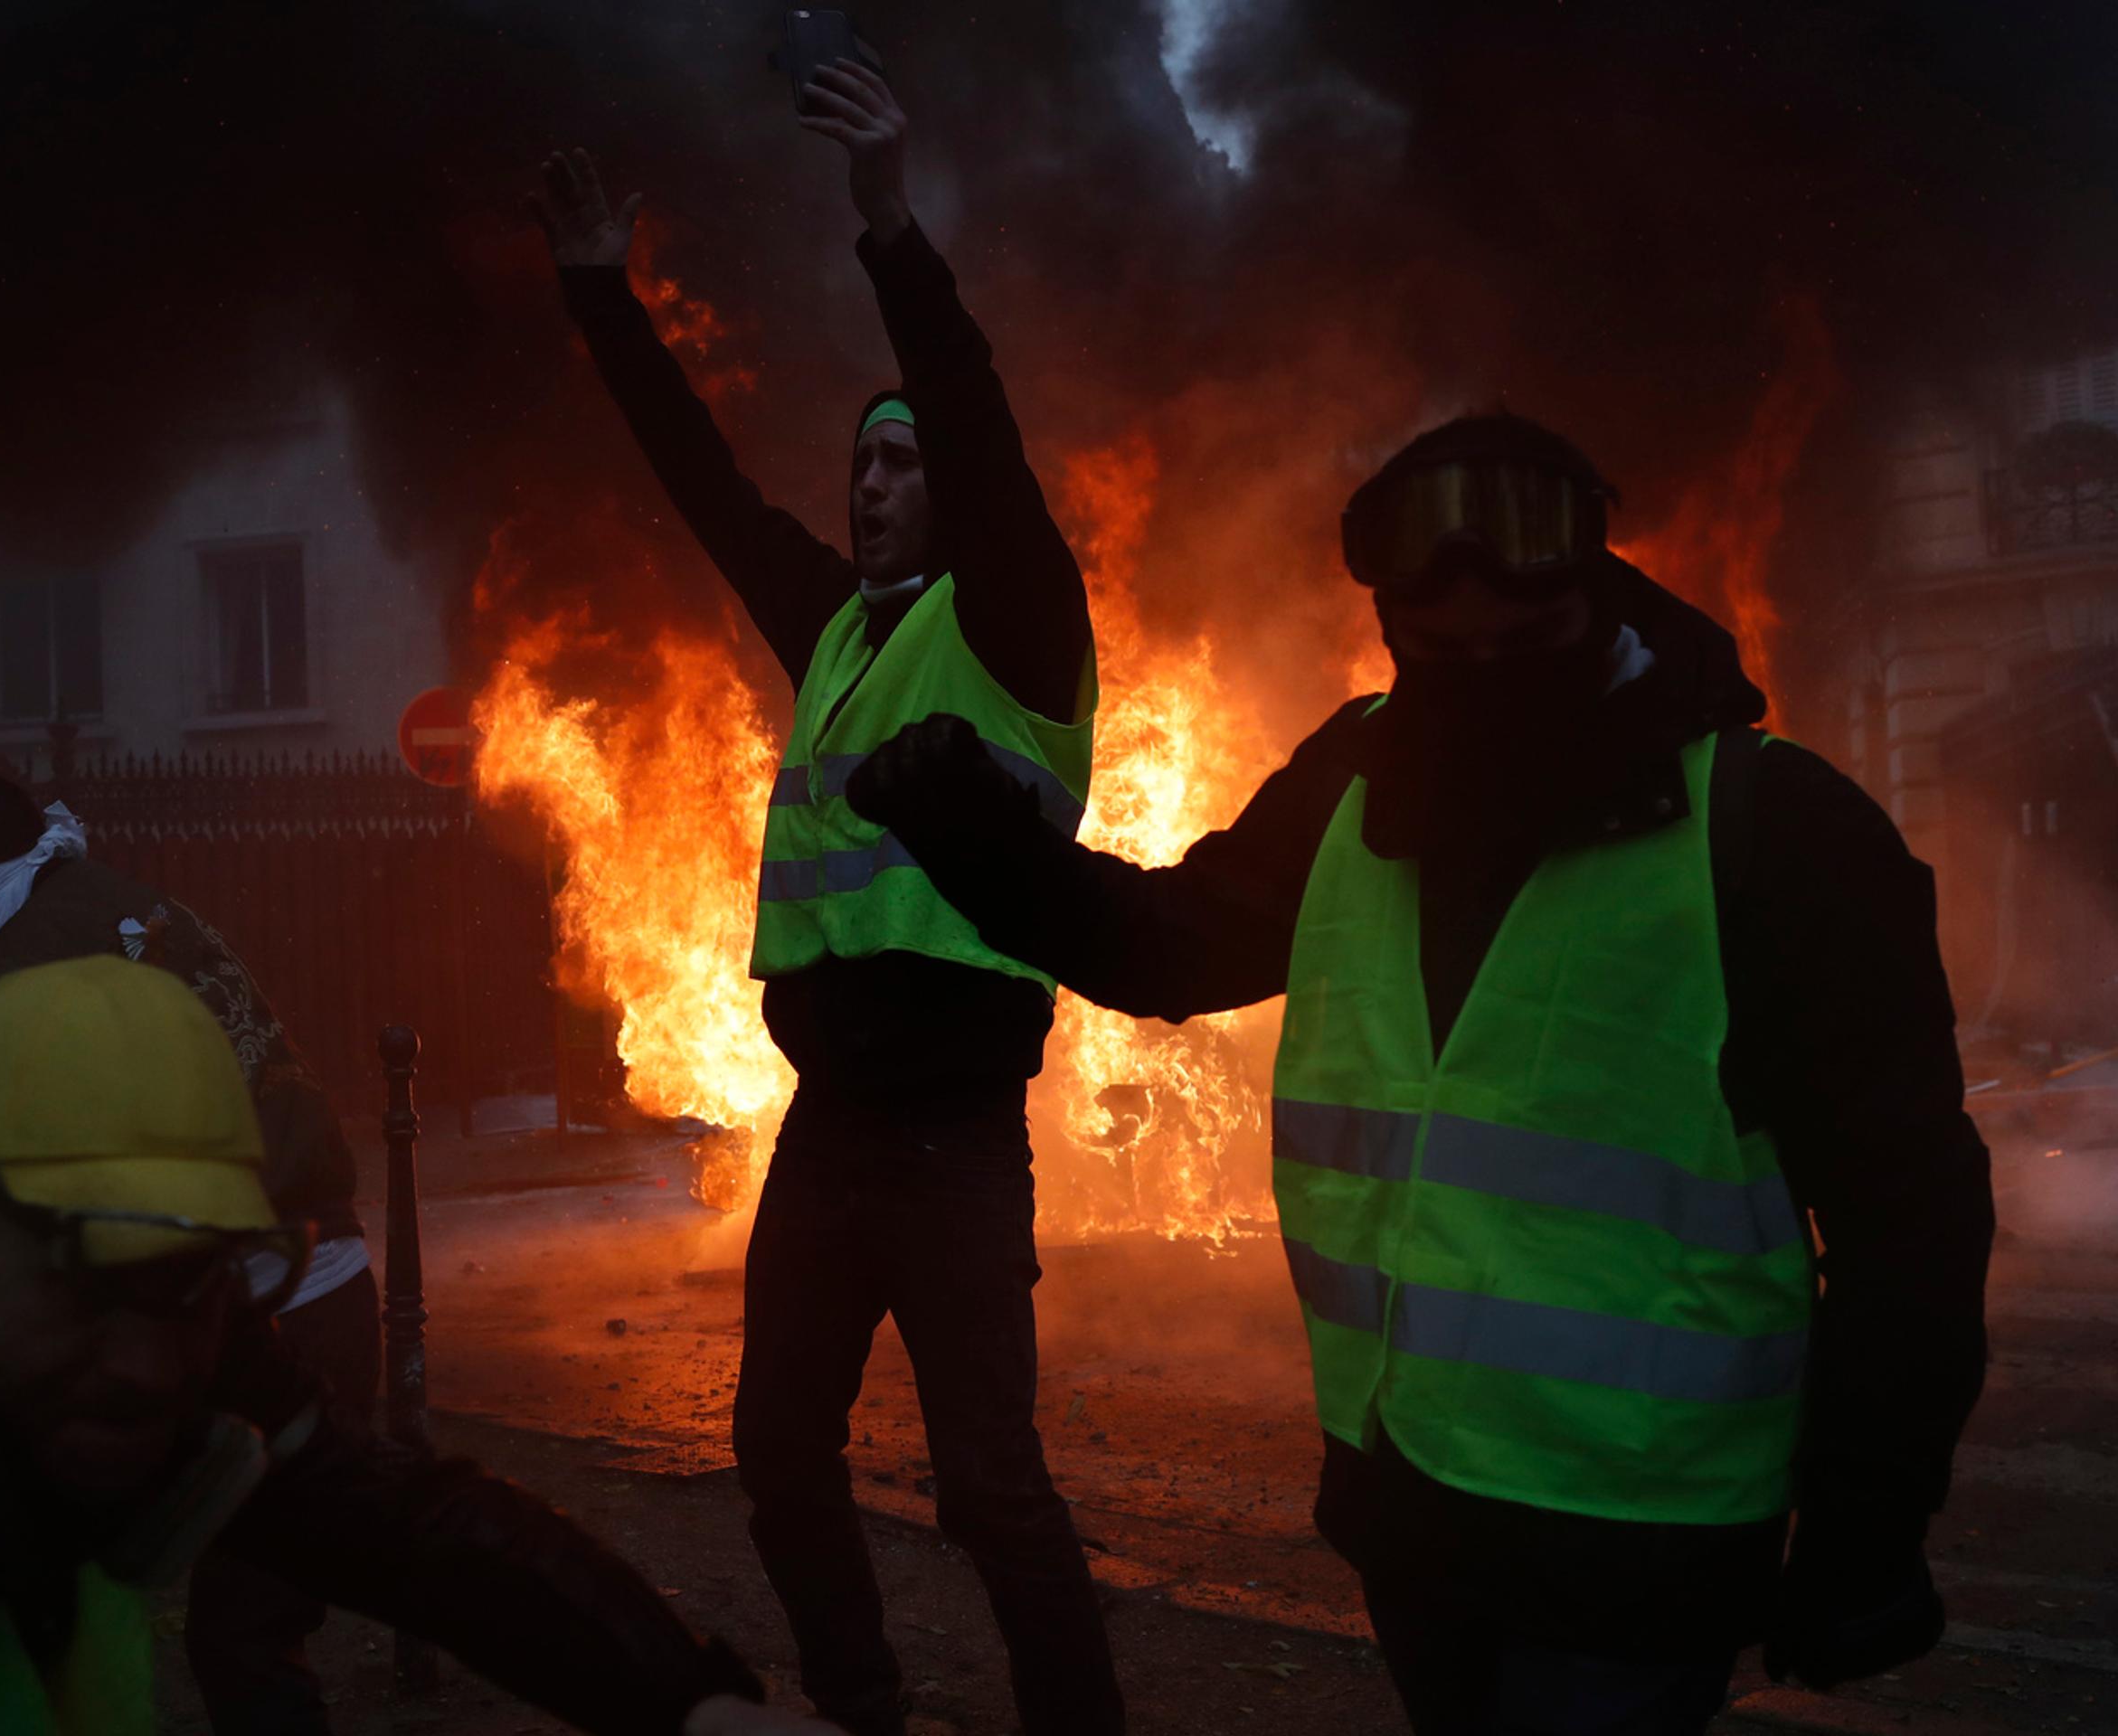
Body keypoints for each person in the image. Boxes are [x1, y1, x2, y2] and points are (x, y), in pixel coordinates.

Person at [848, 414, 1997, 1735]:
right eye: (1436, 643)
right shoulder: (1359, 780)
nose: (1477, 669)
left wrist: (1866, 1531)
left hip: (1639, 1544)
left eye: (1515, 632)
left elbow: (1911, 1220)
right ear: (1390, 617)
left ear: (1591, 579)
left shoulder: (1780, 829)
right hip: (1413, 1520)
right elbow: (1165, 947)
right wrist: (974, 835)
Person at [528, 57, 1120, 1736]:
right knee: (776, 1462)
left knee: (991, 1493)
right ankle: (862, 1708)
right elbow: (706, 489)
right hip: (832, 1126)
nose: (873, 492)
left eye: (903, 470)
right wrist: (600, 299)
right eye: (862, 471)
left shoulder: (1011, 623)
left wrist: (888, 228)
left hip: (951, 1142)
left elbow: (977, 421)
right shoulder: (839, 632)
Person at [0, 955, 833, 1736]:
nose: (153, 1367)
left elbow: (404, 1527)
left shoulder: (148, 1313)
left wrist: (690, 1706)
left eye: (191, 1285)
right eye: (86, 1284)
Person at [0, 760, 378, 1734]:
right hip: (285, 1286)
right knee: (251, 1611)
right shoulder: (103, 905)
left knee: (237, 1635)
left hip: (262, 1305)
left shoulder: (41, 966)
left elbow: (57, 1201)